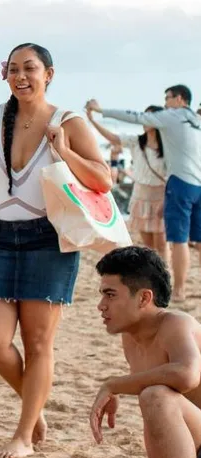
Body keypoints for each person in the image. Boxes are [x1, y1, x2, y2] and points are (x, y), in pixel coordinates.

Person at [0, 43, 111, 458]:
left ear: (49, 74)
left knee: (38, 343)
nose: (21, 76)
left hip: (49, 240)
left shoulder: (69, 121)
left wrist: (64, 150)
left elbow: (103, 180)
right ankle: (35, 403)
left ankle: (25, 434)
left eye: (30, 68)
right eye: (14, 69)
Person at [46, 246, 201, 458]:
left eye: (110, 294)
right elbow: (158, 427)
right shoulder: (132, 339)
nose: (101, 305)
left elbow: (187, 374)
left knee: (156, 395)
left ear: (144, 298)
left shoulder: (176, 324)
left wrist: (116, 384)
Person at [86, 86, 201, 302]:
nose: (165, 103)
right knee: (186, 241)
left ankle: (177, 290)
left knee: (176, 241)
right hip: (193, 184)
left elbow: (134, 116)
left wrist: (100, 110)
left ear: (179, 99)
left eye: (168, 98)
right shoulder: (194, 121)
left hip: (178, 186)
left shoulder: (171, 118)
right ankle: (164, 283)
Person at [87, 106, 168, 260]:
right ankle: (153, 272)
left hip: (161, 196)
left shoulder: (168, 146)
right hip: (141, 195)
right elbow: (113, 138)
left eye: (149, 117)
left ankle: (165, 272)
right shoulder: (137, 141)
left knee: (162, 243)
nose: (144, 121)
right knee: (148, 246)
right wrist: (92, 121)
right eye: (144, 117)